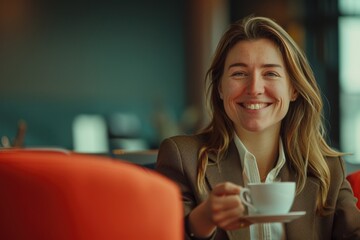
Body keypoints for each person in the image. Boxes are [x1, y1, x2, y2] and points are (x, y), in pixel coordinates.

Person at [155, 15, 360, 240]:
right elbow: (160, 233)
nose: (254, 88)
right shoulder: (183, 157)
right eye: (239, 73)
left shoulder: (328, 168)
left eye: (270, 73)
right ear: (220, 88)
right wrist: (203, 219)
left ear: (293, 89)